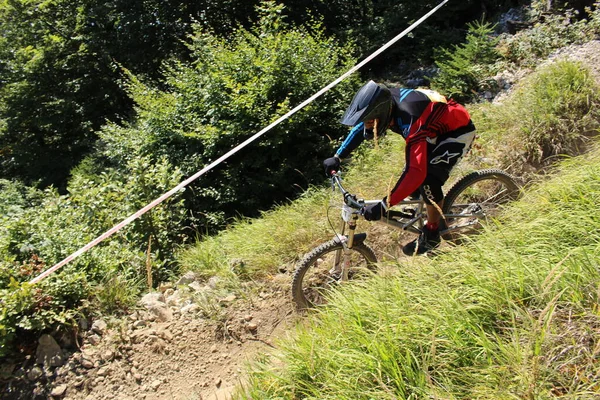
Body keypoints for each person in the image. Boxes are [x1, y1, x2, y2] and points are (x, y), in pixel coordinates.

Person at [323, 80, 476, 255]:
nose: (367, 125)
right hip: (432, 131)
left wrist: (384, 204)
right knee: (413, 181)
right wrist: (337, 156)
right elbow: (361, 126)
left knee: (426, 177)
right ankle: (426, 201)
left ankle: (432, 233)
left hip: (456, 133)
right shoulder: (383, 102)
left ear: (381, 113)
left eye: (370, 121)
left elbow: (416, 172)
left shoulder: (410, 118)